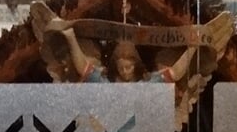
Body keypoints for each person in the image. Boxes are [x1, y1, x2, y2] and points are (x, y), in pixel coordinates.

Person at [46, 17, 199, 84]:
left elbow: (175, 73)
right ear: (115, 67)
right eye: (121, 68)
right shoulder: (106, 82)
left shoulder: (146, 83)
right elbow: (83, 68)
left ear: (136, 65)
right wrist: (71, 38)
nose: (125, 71)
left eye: (129, 67)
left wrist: (192, 48)